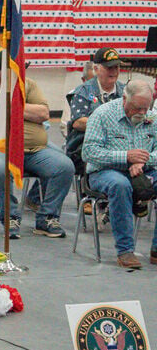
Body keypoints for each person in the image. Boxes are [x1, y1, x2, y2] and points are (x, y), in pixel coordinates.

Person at [0, 51, 75, 239]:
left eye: (18, 69)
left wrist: (10, 105)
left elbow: (43, 114)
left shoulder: (30, 85)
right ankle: (10, 217)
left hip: (33, 150)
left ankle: (47, 218)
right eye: (9, 69)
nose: (14, 74)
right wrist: (27, 111)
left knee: (65, 166)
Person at [82, 79, 157, 269]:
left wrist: (142, 161)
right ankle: (125, 250)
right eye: (137, 108)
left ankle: (156, 249)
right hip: (105, 171)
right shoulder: (102, 114)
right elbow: (89, 152)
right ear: (124, 99)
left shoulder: (152, 116)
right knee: (120, 185)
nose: (142, 113)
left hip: (143, 170)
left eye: (145, 108)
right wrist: (126, 157)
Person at [67, 48, 125, 221]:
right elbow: (78, 122)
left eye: (116, 67)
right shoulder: (83, 91)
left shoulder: (125, 91)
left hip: (120, 142)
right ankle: (93, 193)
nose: (113, 71)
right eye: (109, 68)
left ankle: (128, 196)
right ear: (96, 68)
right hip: (84, 143)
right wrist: (106, 125)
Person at [60, 60, 94, 137]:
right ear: (83, 80)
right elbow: (65, 126)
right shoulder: (74, 94)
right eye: (91, 81)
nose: (94, 84)